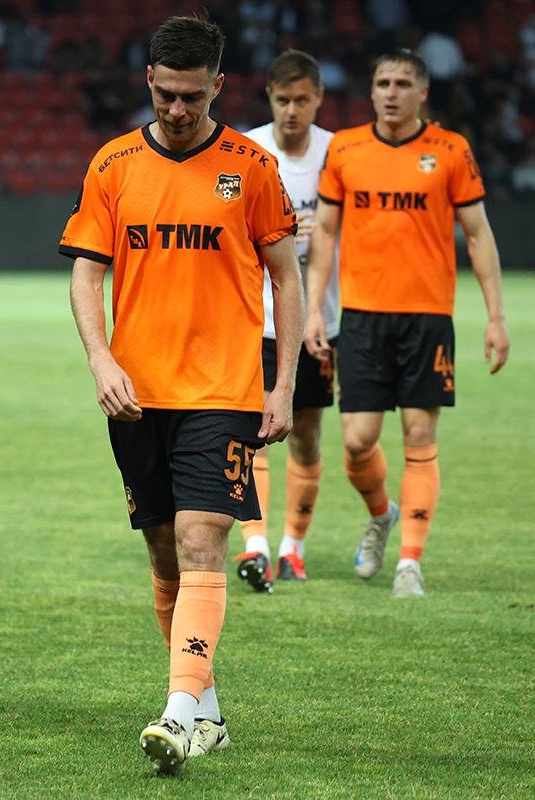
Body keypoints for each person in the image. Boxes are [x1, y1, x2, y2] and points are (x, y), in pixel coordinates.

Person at [61, 15, 302, 775]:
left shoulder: (251, 168)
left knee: (203, 541)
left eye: (191, 97)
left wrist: (284, 383)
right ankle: (207, 711)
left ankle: (176, 712)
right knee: (165, 552)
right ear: (149, 81)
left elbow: (287, 277)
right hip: (136, 394)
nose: (176, 109)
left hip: (223, 389)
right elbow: (87, 274)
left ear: (218, 86)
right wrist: (100, 359)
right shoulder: (113, 165)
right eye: (165, 94)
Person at [305, 49, 510, 598]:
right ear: (371, 91)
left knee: (420, 435)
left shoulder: (451, 150)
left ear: (423, 92)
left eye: (401, 83)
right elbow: (324, 232)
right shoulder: (345, 149)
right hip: (363, 316)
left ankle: (409, 564)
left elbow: (478, 234)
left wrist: (496, 317)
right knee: (357, 441)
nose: (391, 93)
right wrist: (313, 309)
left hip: (427, 317)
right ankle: (381, 514)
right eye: (382, 83)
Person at [233, 49, 337, 591]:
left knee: (305, 435)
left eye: (301, 100)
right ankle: (255, 545)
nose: (291, 110)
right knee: (250, 433)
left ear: (318, 99)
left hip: (319, 321)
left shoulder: (337, 154)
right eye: (282, 100)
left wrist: (327, 232)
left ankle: (293, 546)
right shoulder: (248, 151)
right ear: (269, 99)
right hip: (255, 319)